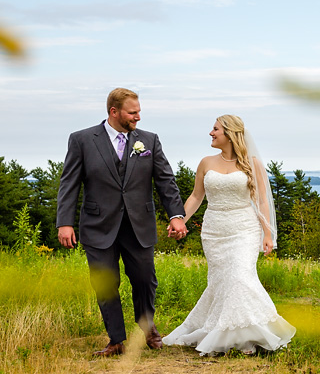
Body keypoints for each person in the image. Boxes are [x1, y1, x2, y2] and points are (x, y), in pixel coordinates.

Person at [57, 88, 188, 357]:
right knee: (105, 283)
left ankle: (147, 326)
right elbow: (69, 183)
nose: (138, 117)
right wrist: (64, 222)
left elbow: (165, 180)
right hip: (97, 224)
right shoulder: (82, 139)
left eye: (139, 111)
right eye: (133, 112)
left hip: (138, 224)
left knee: (144, 279)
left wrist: (176, 215)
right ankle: (116, 340)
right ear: (114, 112)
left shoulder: (149, 141)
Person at [162, 115, 295, 355]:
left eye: (215, 129)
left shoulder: (252, 164)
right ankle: (231, 334)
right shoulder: (205, 162)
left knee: (240, 276)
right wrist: (179, 220)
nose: (210, 133)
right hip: (214, 231)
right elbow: (196, 197)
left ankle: (252, 333)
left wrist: (268, 233)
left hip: (244, 228)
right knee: (222, 282)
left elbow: (262, 200)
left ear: (230, 133)